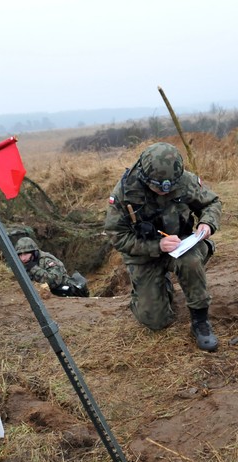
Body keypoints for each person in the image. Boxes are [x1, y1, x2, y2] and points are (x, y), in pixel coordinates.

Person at [104, 142, 222, 352]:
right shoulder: (125, 192)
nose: (163, 192)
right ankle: (150, 291)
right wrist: (157, 245)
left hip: (181, 247)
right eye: (157, 187)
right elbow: (117, 236)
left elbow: (211, 203)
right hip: (143, 254)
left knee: (191, 262)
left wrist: (207, 223)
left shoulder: (184, 180)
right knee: (156, 322)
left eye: (168, 187)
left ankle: (200, 321)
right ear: (144, 177)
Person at [14, 237, 89, 297]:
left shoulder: (47, 260)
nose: (23, 258)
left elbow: (53, 281)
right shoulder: (22, 263)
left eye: (25, 254)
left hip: (62, 291)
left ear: (35, 253)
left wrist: (34, 268)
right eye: (20, 255)